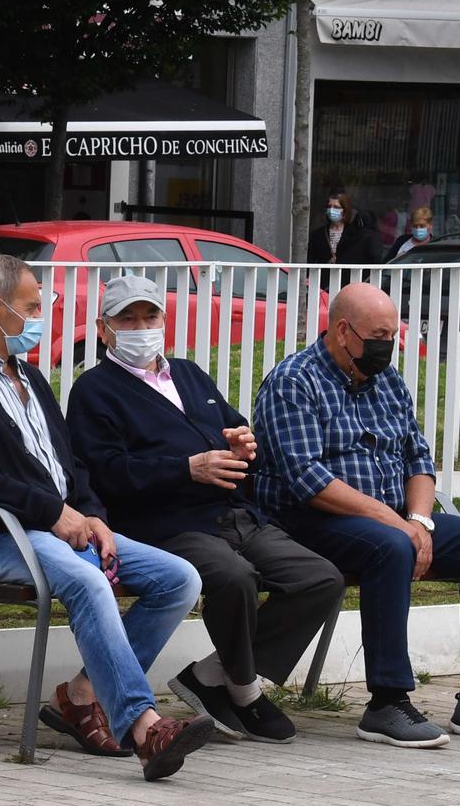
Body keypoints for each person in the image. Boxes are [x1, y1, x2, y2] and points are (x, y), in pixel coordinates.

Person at [0, 254, 212, 781]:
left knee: (179, 578)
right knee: (89, 581)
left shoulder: (28, 377)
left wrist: (92, 515)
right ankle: (144, 728)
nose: (42, 316)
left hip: (53, 528)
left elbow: (69, 464)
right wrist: (53, 513)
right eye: (32, 307)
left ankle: (80, 696)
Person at [251, 283, 460, 748]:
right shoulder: (294, 381)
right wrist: (399, 526)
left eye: (392, 334)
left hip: (392, 518)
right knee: (389, 548)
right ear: (343, 331)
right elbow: (307, 479)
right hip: (308, 522)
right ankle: (387, 702)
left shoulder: (387, 380)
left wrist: (421, 522)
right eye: (379, 335)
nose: (387, 346)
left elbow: (418, 460)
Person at [66, 275, 343, 744]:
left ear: (164, 321)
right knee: (234, 578)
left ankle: (213, 675)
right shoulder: (95, 390)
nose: (140, 326)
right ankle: (246, 690)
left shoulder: (189, 374)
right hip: (164, 525)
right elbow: (104, 472)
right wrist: (184, 469)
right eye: (126, 318)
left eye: (149, 315)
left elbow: (231, 426)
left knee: (321, 579)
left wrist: (242, 440)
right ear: (103, 328)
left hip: (234, 514)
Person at [305, 191, 355, 266]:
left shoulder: (354, 233)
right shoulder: (317, 234)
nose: (331, 210)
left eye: (336, 207)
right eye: (329, 206)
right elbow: (311, 260)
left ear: (345, 210)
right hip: (323, 275)